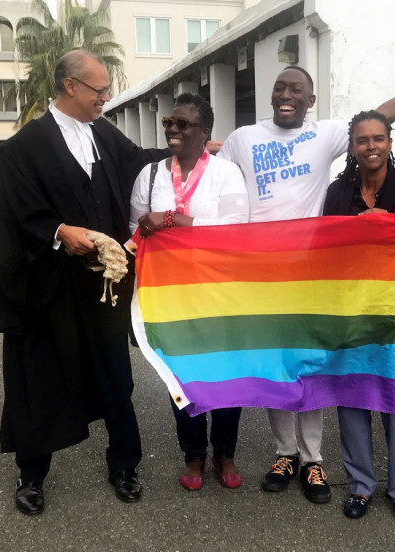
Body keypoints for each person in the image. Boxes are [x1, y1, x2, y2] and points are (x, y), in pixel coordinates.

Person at [218, 46, 395, 505]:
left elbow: (377, 118)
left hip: (312, 277)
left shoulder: (324, 134)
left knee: (313, 369)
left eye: (296, 90)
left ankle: (313, 460)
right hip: (263, 276)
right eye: (280, 87)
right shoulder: (241, 138)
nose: (285, 95)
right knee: (277, 369)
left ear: (311, 101)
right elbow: (221, 189)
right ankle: (284, 452)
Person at [0, 49, 167, 516]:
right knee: (41, 377)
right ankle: (32, 475)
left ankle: (124, 463)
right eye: (99, 90)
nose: (105, 99)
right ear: (70, 86)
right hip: (49, 288)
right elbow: (15, 215)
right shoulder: (22, 149)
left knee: (114, 374)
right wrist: (57, 231)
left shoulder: (101, 134)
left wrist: (191, 151)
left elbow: (141, 161)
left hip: (101, 287)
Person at [129, 93, 249, 491]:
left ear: (205, 132)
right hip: (171, 295)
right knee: (181, 378)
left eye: (183, 125)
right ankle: (194, 455)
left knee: (226, 376)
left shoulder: (226, 173)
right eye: (169, 123)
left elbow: (235, 226)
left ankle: (225, 452)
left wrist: (172, 219)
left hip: (220, 291)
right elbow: (137, 232)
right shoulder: (149, 175)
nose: (174, 131)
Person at [322, 110, 395, 527]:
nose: (371, 146)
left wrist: (390, 225)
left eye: (378, 138)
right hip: (351, 310)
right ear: (352, 147)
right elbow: (326, 250)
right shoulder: (338, 192)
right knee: (352, 400)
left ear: (390, 141)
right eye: (362, 140)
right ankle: (360, 486)